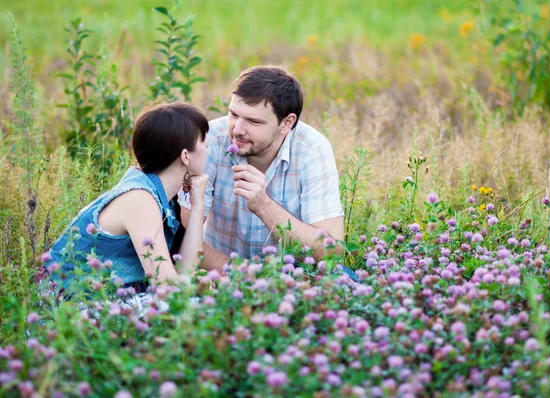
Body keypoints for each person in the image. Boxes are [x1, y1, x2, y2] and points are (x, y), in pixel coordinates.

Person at [179, 65, 352, 277]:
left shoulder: (312, 149)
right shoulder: (209, 141)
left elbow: (331, 251)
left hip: (293, 277)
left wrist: (263, 206)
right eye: (233, 114)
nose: (237, 129)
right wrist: (240, 274)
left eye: (253, 121)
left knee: (344, 281)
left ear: (287, 123)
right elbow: (183, 235)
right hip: (220, 275)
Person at [43, 102, 209, 295]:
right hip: (69, 307)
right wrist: (199, 286)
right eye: (204, 141)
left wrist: (197, 206)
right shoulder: (140, 198)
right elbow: (165, 285)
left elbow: (185, 271)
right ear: (186, 156)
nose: (207, 146)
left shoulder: (163, 198)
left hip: (105, 301)